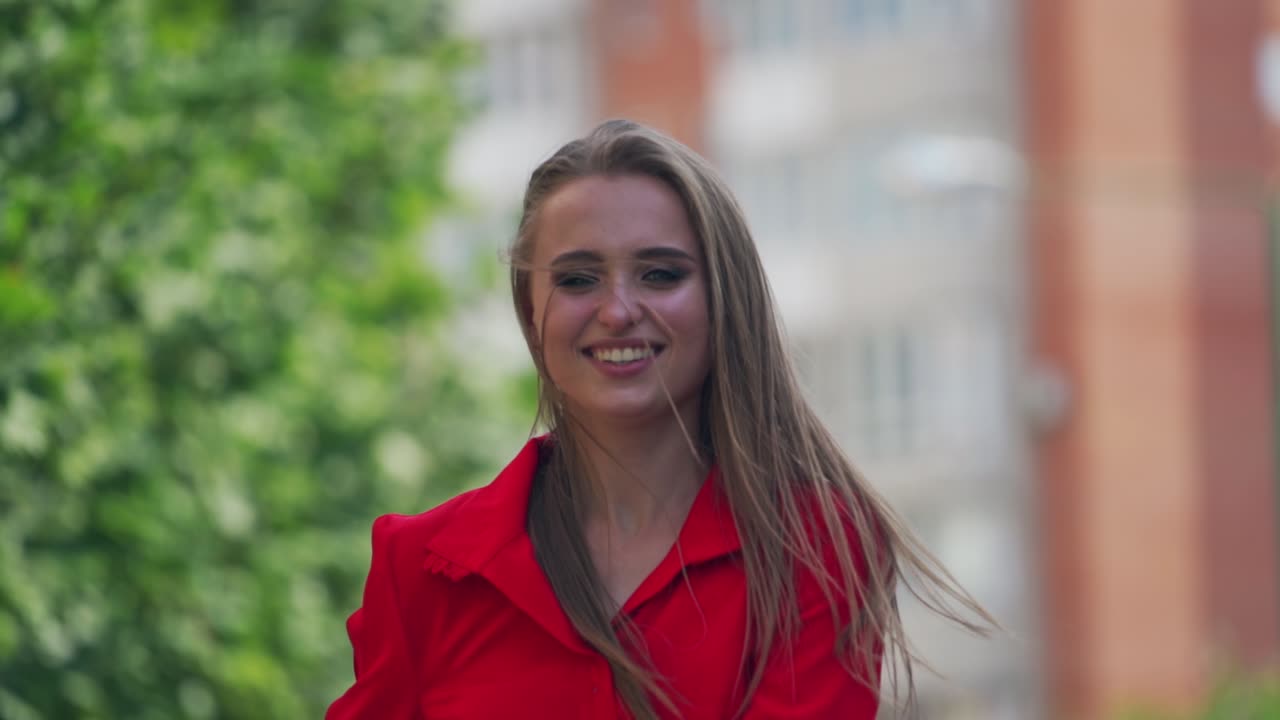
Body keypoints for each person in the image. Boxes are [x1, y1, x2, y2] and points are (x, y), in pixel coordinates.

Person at [326, 120, 991, 719]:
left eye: (659, 274)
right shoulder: (422, 569)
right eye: (579, 279)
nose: (617, 310)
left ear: (723, 301)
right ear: (531, 311)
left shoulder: (817, 549)